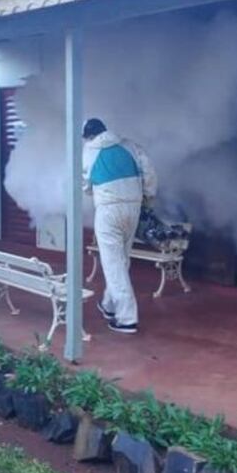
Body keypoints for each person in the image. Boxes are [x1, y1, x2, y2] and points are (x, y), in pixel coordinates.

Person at [82, 118, 157, 333]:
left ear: (88, 136)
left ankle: (126, 318)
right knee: (121, 260)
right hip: (133, 207)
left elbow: (85, 185)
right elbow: (149, 174)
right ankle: (109, 305)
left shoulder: (88, 151)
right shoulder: (129, 145)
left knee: (113, 264)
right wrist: (148, 198)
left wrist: (95, 190)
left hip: (108, 210)